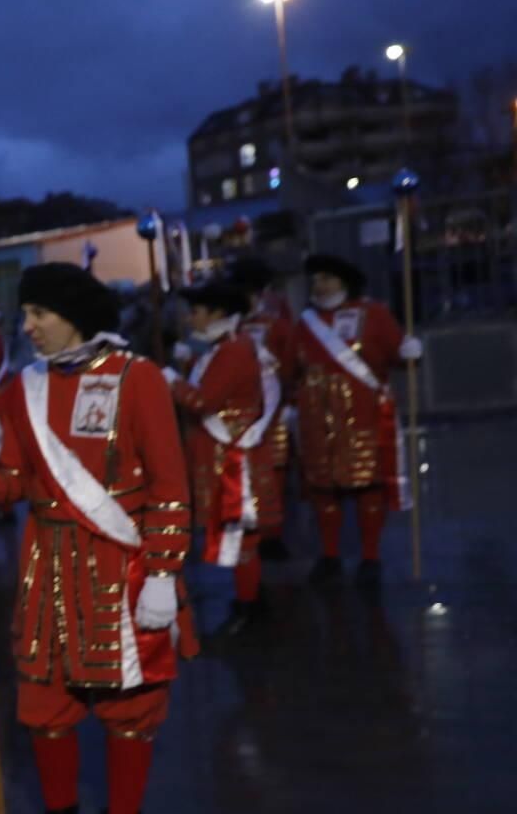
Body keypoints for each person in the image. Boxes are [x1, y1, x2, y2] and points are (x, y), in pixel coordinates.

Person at [0, 263, 196, 814]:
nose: (25, 327)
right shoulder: (21, 390)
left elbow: (170, 487)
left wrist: (164, 573)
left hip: (123, 568)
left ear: (74, 316)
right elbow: (20, 477)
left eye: (38, 315)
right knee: (44, 710)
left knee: (128, 713)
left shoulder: (136, 380)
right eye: (24, 314)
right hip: (48, 566)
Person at [291, 253, 420, 586]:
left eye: (326, 279)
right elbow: (293, 366)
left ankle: (370, 557)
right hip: (317, 418)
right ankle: (330, 554)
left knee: (368, 486)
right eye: (315, 280)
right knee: (323, 489)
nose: (319, 286)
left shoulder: (373, 314)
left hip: (363, 415)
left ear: (343, 282)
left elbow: (396, 354)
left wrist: (408, 352)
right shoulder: (306, 323)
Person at [167, 281, 278, 637]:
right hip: (222, 455)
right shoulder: (218, 350)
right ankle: (250, 599)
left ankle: (248, 607)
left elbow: (204, 402)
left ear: (217, 314)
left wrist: (171, 382)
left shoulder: (232, 351)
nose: (190, 318)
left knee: (240, 535)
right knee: (237, 534)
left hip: (233, 460)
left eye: (196, 311)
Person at [226, 258, 296, 562]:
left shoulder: (277, 326)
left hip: (273, 409)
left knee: (275, 471)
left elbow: (291, 364)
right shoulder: (230, 328)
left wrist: (290, 400)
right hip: (240, 413)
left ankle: (273, 533)